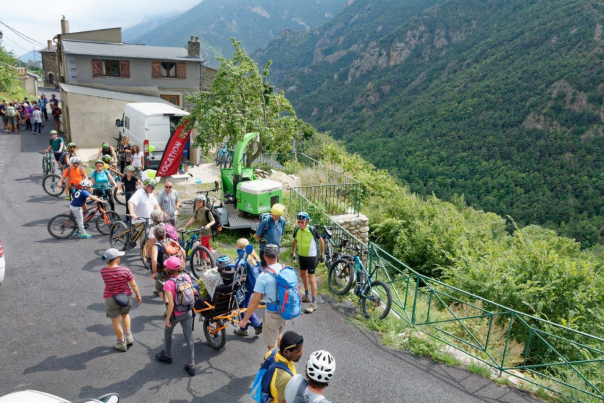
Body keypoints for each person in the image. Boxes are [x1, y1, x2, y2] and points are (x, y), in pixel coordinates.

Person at [155, 256, 197, 377]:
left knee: (168, 332)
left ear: (168, 270)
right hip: (187, 311)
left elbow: (171, 304)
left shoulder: (168, 284)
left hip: (176, 314)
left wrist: (168, 319)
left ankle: (167, 355)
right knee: (189, 337)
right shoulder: (187, 277)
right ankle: (191, 364)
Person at [239, 244, 286, 350]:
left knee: (272, 350)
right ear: (278, 255)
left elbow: (254, 303)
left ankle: (276, 360)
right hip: (285, 310)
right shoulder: (284, 268)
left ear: (264, 256)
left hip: (273, 314)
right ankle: (283, 356)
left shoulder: (263, 276)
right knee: (277, 333)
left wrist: (244, 320)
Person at [101, 248, 142, 352]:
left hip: (111, 298)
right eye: (118, 257)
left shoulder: (103, 271)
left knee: (116, 321)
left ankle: (121, 342)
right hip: (126, 297)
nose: (120, 258)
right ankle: (129, 336)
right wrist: (138, 295)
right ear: (115, 259)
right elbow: (133, 284)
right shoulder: (125, 270)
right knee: (125, 315)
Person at [291, 212, 325, 314]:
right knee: (302, 275)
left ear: (306, 222)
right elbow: (295, 241)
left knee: (311, 279)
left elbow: (321, 241)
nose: (300, 224)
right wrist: (293, 253)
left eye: (302, 222)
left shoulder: (312, 229)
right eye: (299, 222)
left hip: (311, 256)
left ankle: (314, 303)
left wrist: (322, 254)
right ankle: (306, 295)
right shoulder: (296, 229)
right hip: (301, 255)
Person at [264, 331, 304, 403]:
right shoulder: (285, 377)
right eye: (298, 351)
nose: (301, 353)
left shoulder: (272, 352)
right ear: (286, 352)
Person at [234, 238, 263, 337]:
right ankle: (254, 325)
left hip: (244, 288)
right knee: (246, 306)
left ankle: (246, 328)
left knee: (242, 307)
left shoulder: (242, 260)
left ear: (240, 248)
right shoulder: (254, 258)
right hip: (252, 286)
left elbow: (244, 277)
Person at [179, 195, 214, 261]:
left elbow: (213, 221)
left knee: (201, 247)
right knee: (207, 246)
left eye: (200, 202)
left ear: (203, 203)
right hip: (200, 231)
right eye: (197, 202)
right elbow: (193, 218)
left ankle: (202, 261)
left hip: (206, 232)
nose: (198, 203)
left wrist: (208, 225)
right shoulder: (197, 211)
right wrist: (185, 227)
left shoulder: (207, 211)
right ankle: (209, 260)